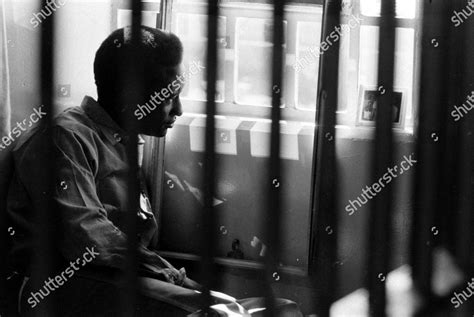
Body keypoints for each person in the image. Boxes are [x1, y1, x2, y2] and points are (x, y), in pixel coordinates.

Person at [7, 26, 302, 316]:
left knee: (283, 310)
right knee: (223, 313)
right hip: (61, 284)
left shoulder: (122, 141)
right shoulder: (64, 139)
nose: (179, 111)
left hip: (122, 276)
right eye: (168, 97)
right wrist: (169, 274)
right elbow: (87, 239)